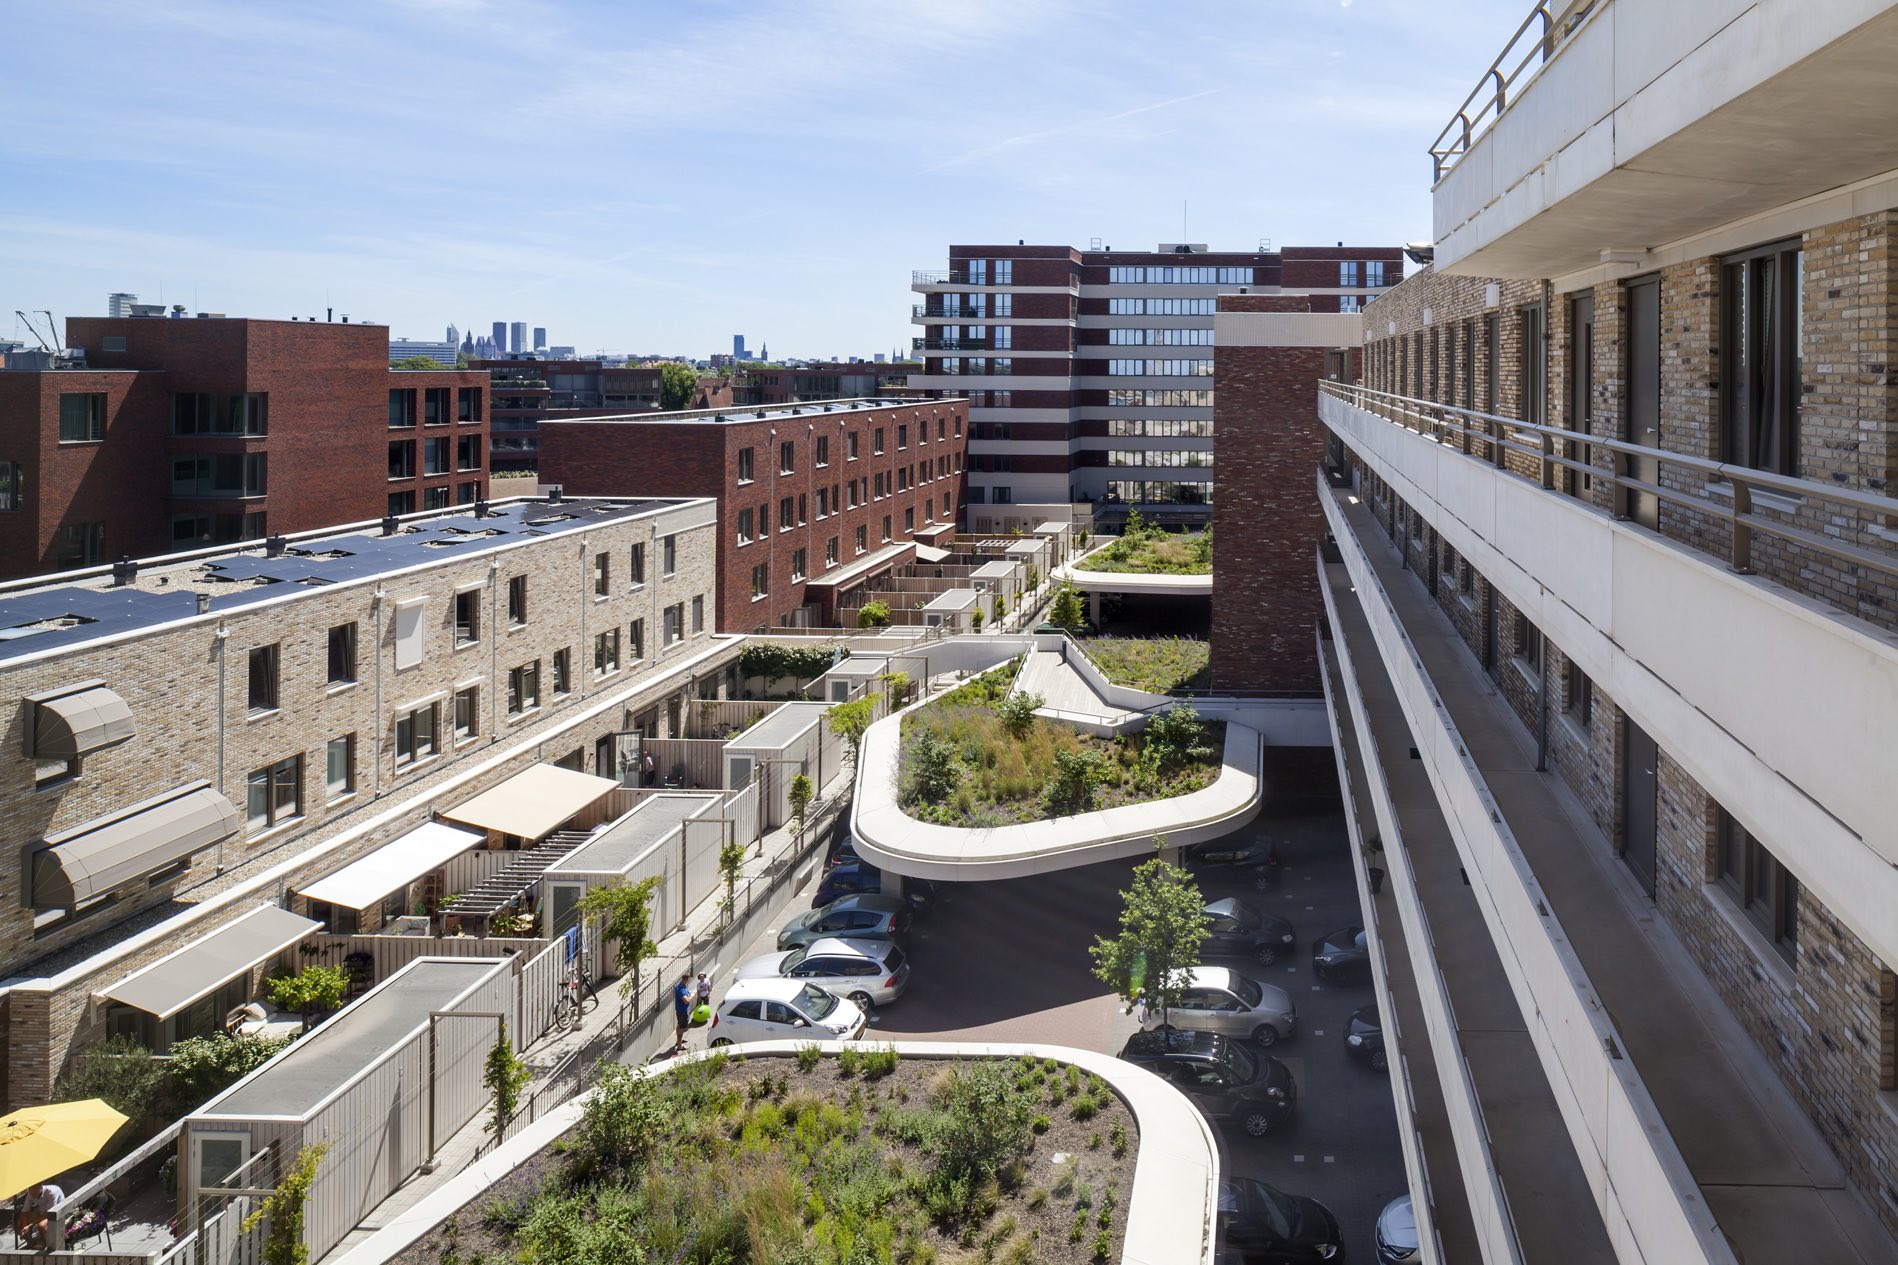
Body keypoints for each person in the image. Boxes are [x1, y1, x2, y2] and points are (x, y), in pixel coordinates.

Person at [672, 972, 692, 1054]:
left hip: (680, 1011)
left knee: (679, 1025)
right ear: (686, 980)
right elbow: (686, 1000)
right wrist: (691, 996)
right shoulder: (681, 990)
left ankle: (678, 1041)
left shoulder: (678, 986)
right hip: (682, 1012)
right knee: (683, 1029)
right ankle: (679, 1046)